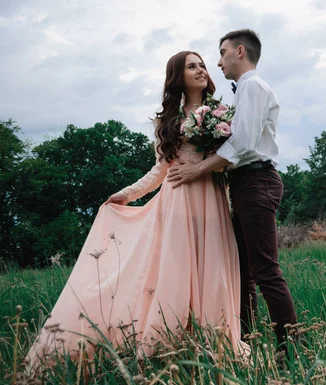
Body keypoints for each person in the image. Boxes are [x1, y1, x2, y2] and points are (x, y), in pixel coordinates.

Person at [26, 51, 247, 365]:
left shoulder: (222, 113)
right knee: (177, 272)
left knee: (212, 271)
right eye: (191, 66)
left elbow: (231, 157)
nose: (201, 70)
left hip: (211, 198)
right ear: (177, 76)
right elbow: (159, 171)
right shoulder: (167, 120)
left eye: (202, 65)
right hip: (177, 201)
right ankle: (170, 344)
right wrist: (126, 194)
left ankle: (215, 343)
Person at [166, 29, 298, 354]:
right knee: (244, 273)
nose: (218, 61)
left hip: (257, 181)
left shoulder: (252, 87)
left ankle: (292, 351)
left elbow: (242, 143)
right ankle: (244, 344)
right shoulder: (243, 91)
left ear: (239, 52)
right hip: (244, 183)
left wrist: (197, 168)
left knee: (265, 270)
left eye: (222, 52)